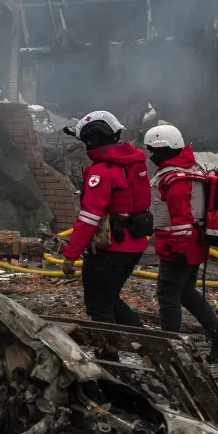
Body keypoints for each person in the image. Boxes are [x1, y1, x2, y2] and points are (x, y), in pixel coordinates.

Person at [143, 123, 218, 363]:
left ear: (164, 149)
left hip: (179, 247)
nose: (151, 156)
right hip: (193, 245)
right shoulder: (191, 169)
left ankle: (170, 351)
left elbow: (181, 219)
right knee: (186, 293)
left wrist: (176, 250)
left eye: (153, 151)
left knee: (168, 295)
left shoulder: (175, 178)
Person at [59, 110, 151, 325]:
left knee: (98, 307)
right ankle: (149, 348)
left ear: (93, 139)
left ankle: (107, 356)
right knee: (109, 299)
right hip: (134, 245)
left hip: (110, 249)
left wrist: (70, 254)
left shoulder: (102, 171)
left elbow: (90, 217)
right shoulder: (134, 162)